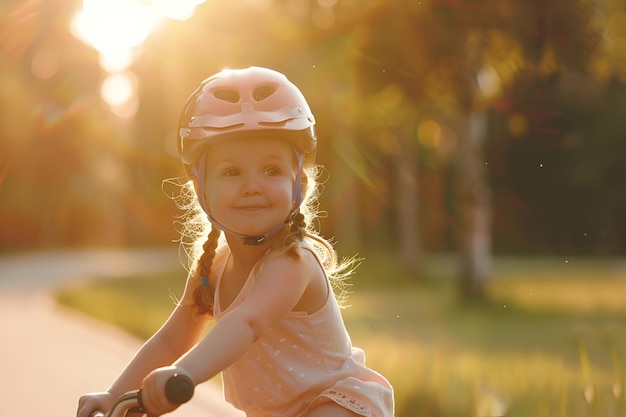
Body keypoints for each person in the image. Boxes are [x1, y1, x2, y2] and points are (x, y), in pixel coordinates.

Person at [77, 66, 394, 417]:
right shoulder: (211, 267)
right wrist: (114, 394)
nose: (253, 185)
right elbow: (172, 339)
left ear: (298, 182)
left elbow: (248, 322)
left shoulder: (293, 262)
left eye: (271, 170)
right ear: (201, 188)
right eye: (232, 172)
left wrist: (185, 374)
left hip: (334, 403)